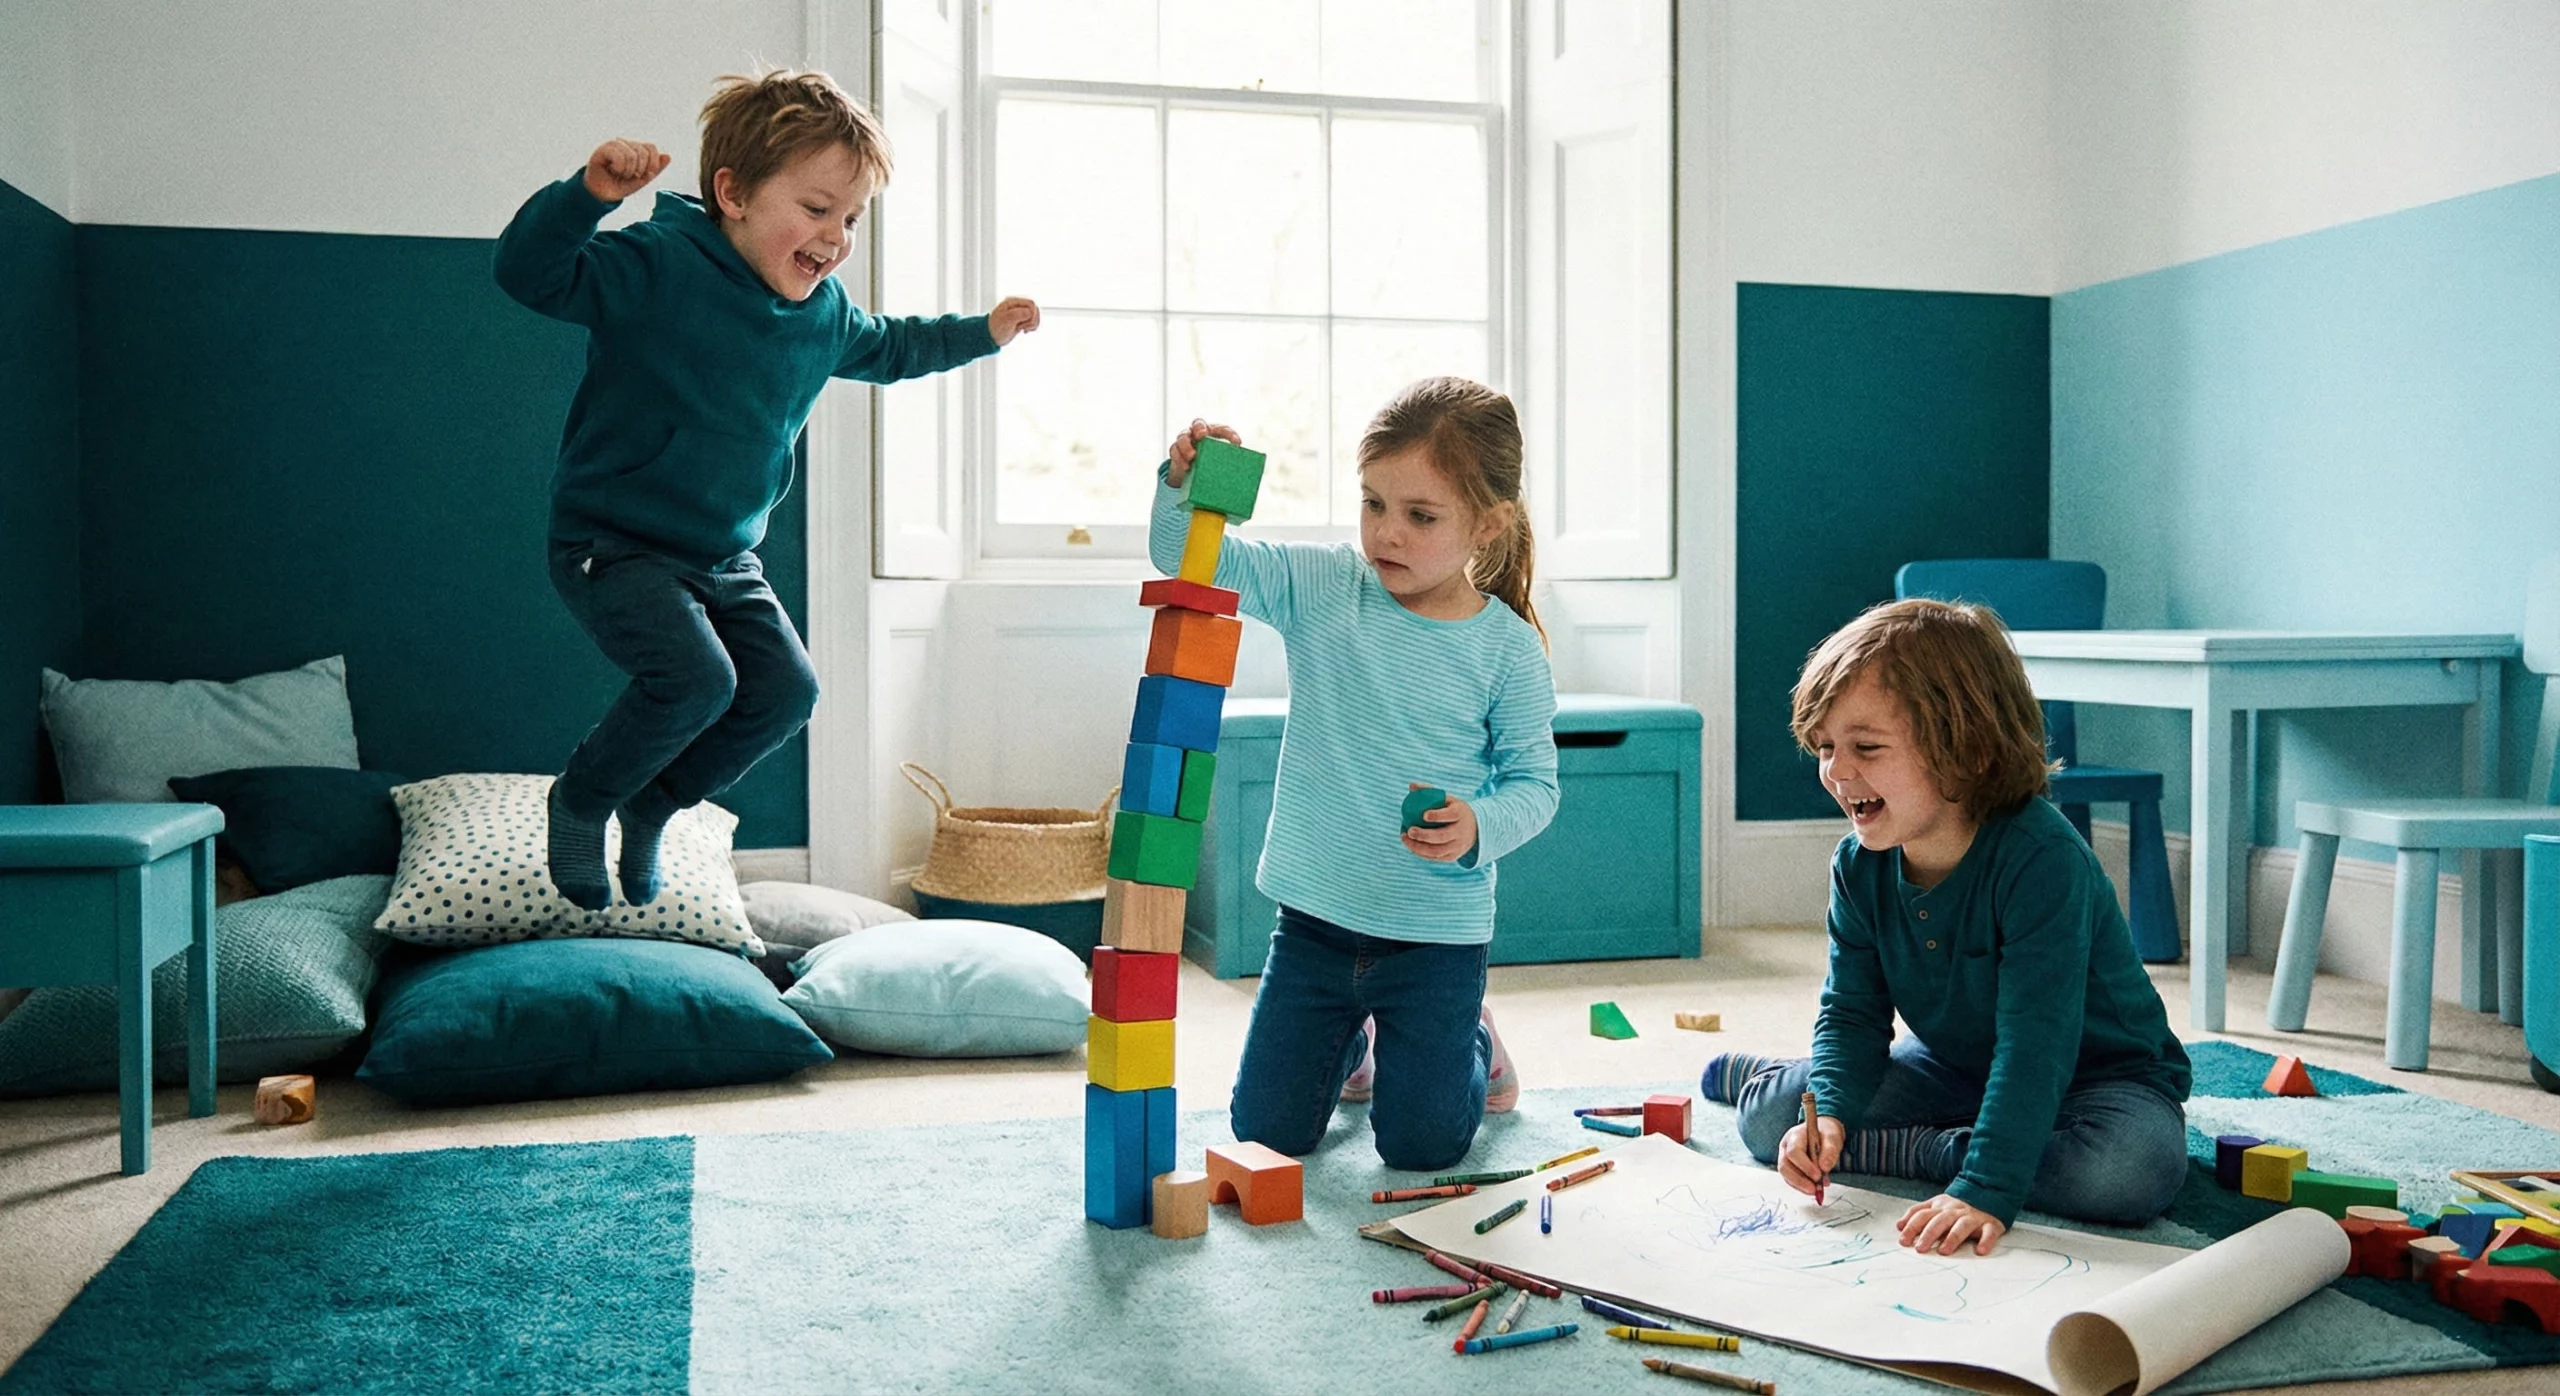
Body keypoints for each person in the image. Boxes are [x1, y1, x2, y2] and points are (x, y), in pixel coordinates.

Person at [494, 70, 1038, 910]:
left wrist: (985, 333)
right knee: (699, 681)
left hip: (722, 556)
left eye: (852, 219)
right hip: (615, 543)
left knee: (789, 692)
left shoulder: (822, 316)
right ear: (733, 194)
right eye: (818, 210)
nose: (837, 238)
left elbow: (895, 349)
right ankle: (583, 800)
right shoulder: (656, 266)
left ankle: (653, 803)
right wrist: (588, 195)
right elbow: (529, 274)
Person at [1700, 598, 2191, 1254]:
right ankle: (1782, 1078)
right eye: (1825, 749)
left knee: (2126, 1174)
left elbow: (2035, 1044)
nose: (1837, 772)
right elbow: (1853, 1015)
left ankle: (1935, 1149)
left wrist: (1982, 1184)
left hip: (2098, 1076)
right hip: (1957, 1062)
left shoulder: (2043, 859)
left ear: (1969, 751)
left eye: (1866, 748)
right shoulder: (1859, 864)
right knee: (1769, 1124)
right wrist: (1834, 1113)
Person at [1157, 377, 1559, 1173]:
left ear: (1488, 524)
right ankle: (1358, 1045)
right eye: (1373, 503)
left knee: (1422, 1147)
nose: (1388, 532)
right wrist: (1180, 488)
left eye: (1420, 515)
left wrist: (1480, 825)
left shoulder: (1506, 649)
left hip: (1435, 941)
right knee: (1265, 1132)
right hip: (1314, 922)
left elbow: (1535, 785)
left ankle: (1473, 1037)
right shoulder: (1324, 586)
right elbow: (1189, 562)